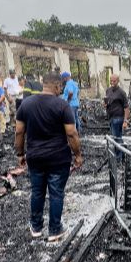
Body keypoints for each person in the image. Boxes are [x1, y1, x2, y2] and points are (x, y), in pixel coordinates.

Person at [15, 72, 83, 241]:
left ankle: (36, 227)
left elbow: (19, 131)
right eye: (61, 86)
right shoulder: (62, 106)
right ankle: (54, 230)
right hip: (58, 158)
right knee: (56, 193)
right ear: (56, 85)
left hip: (35, 158)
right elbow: (72, 134)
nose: (62, 89)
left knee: (37, 192)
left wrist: (20, 153)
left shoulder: (26, 104)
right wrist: (78, 155)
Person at [103, 74, 129, 158]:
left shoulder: (121, 92)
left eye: (114, 81)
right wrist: (105, 105)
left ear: (118, 81)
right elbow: (107, 103)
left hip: (118, 118)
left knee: (117, 138)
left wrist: (125, 121)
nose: (112, 82)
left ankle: (119, 157)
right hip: (110, 117)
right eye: (111, 81)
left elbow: (126, 108)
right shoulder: (108, 90)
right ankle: (121, 155)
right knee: (116, 138)